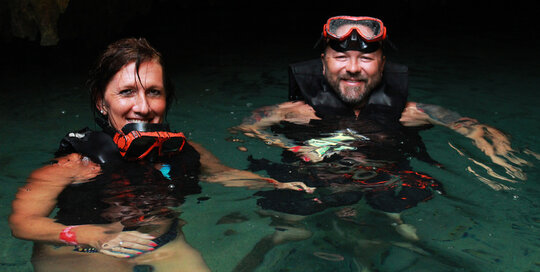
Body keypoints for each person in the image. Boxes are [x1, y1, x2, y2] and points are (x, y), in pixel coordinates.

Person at [230, 16, 528, 271]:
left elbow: (473, 127)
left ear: (382, 64)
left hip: (385, 189)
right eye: (341, 57)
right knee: (284, 229)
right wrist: (290, 145)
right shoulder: (290, 113)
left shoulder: (408, 113)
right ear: (323, 64)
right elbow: (240, 131)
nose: (353, 68)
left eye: (366, 58)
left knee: (403, 227)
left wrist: (495, 149)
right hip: (312, 189)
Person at [9, 37, 312, 272]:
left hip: (162, 242)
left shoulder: (183, 151)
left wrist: (278, 185)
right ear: (102, 103)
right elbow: (23, 222)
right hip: (84, 250)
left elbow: (222, 175)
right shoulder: (77, 161)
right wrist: (92, 237)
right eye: (127, 92)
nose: (143, 107)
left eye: (153, 91)